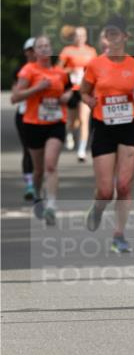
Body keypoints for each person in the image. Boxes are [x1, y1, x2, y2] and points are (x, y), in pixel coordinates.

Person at [79, 14, 134, 253]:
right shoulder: (95, 65)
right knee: (106, 190)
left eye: (116, 34)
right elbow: (84, 91)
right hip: (103, 127)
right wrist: (90, 101)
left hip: (128, 127)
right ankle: (98, 207)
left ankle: (118, 234)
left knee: (124, 184)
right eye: (108, 34)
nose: (112, 38)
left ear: (125, 36)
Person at [11, 35, 72, 225]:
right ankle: (38, 196)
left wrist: (67, 96)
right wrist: (37, 88)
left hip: (56, 123)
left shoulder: (61, 73)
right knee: (38, 170)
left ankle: (52, 206)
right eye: (41, 46)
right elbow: (15, 98)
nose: (44, 49)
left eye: (47, 46)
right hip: (33, 124)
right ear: (35, 52)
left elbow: (70, 90)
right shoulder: (28, 70)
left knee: (51, 165)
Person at [59, 24, 97, 161]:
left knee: (84, 119)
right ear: (73, 37)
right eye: (77, 35)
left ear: (86, 37)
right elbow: (58, 70)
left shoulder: (91, 51)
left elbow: (96, 69)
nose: (80, 38)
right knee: (72, 121)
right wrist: (71, 71)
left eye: (83, 35)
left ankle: (81, 151)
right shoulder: (67, 50)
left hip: (85, 90)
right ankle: (69, 133)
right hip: (71, 89)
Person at [12, 38, 36, 200]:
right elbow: (15, 97)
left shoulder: (52, 69)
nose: (35, 52)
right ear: (26, 52)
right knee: (28, 150)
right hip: (25, 115)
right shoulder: (20, 70)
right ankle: (29, 185)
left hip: (46, 117)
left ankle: (41, 181)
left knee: (44, 154)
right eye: (31, 49)